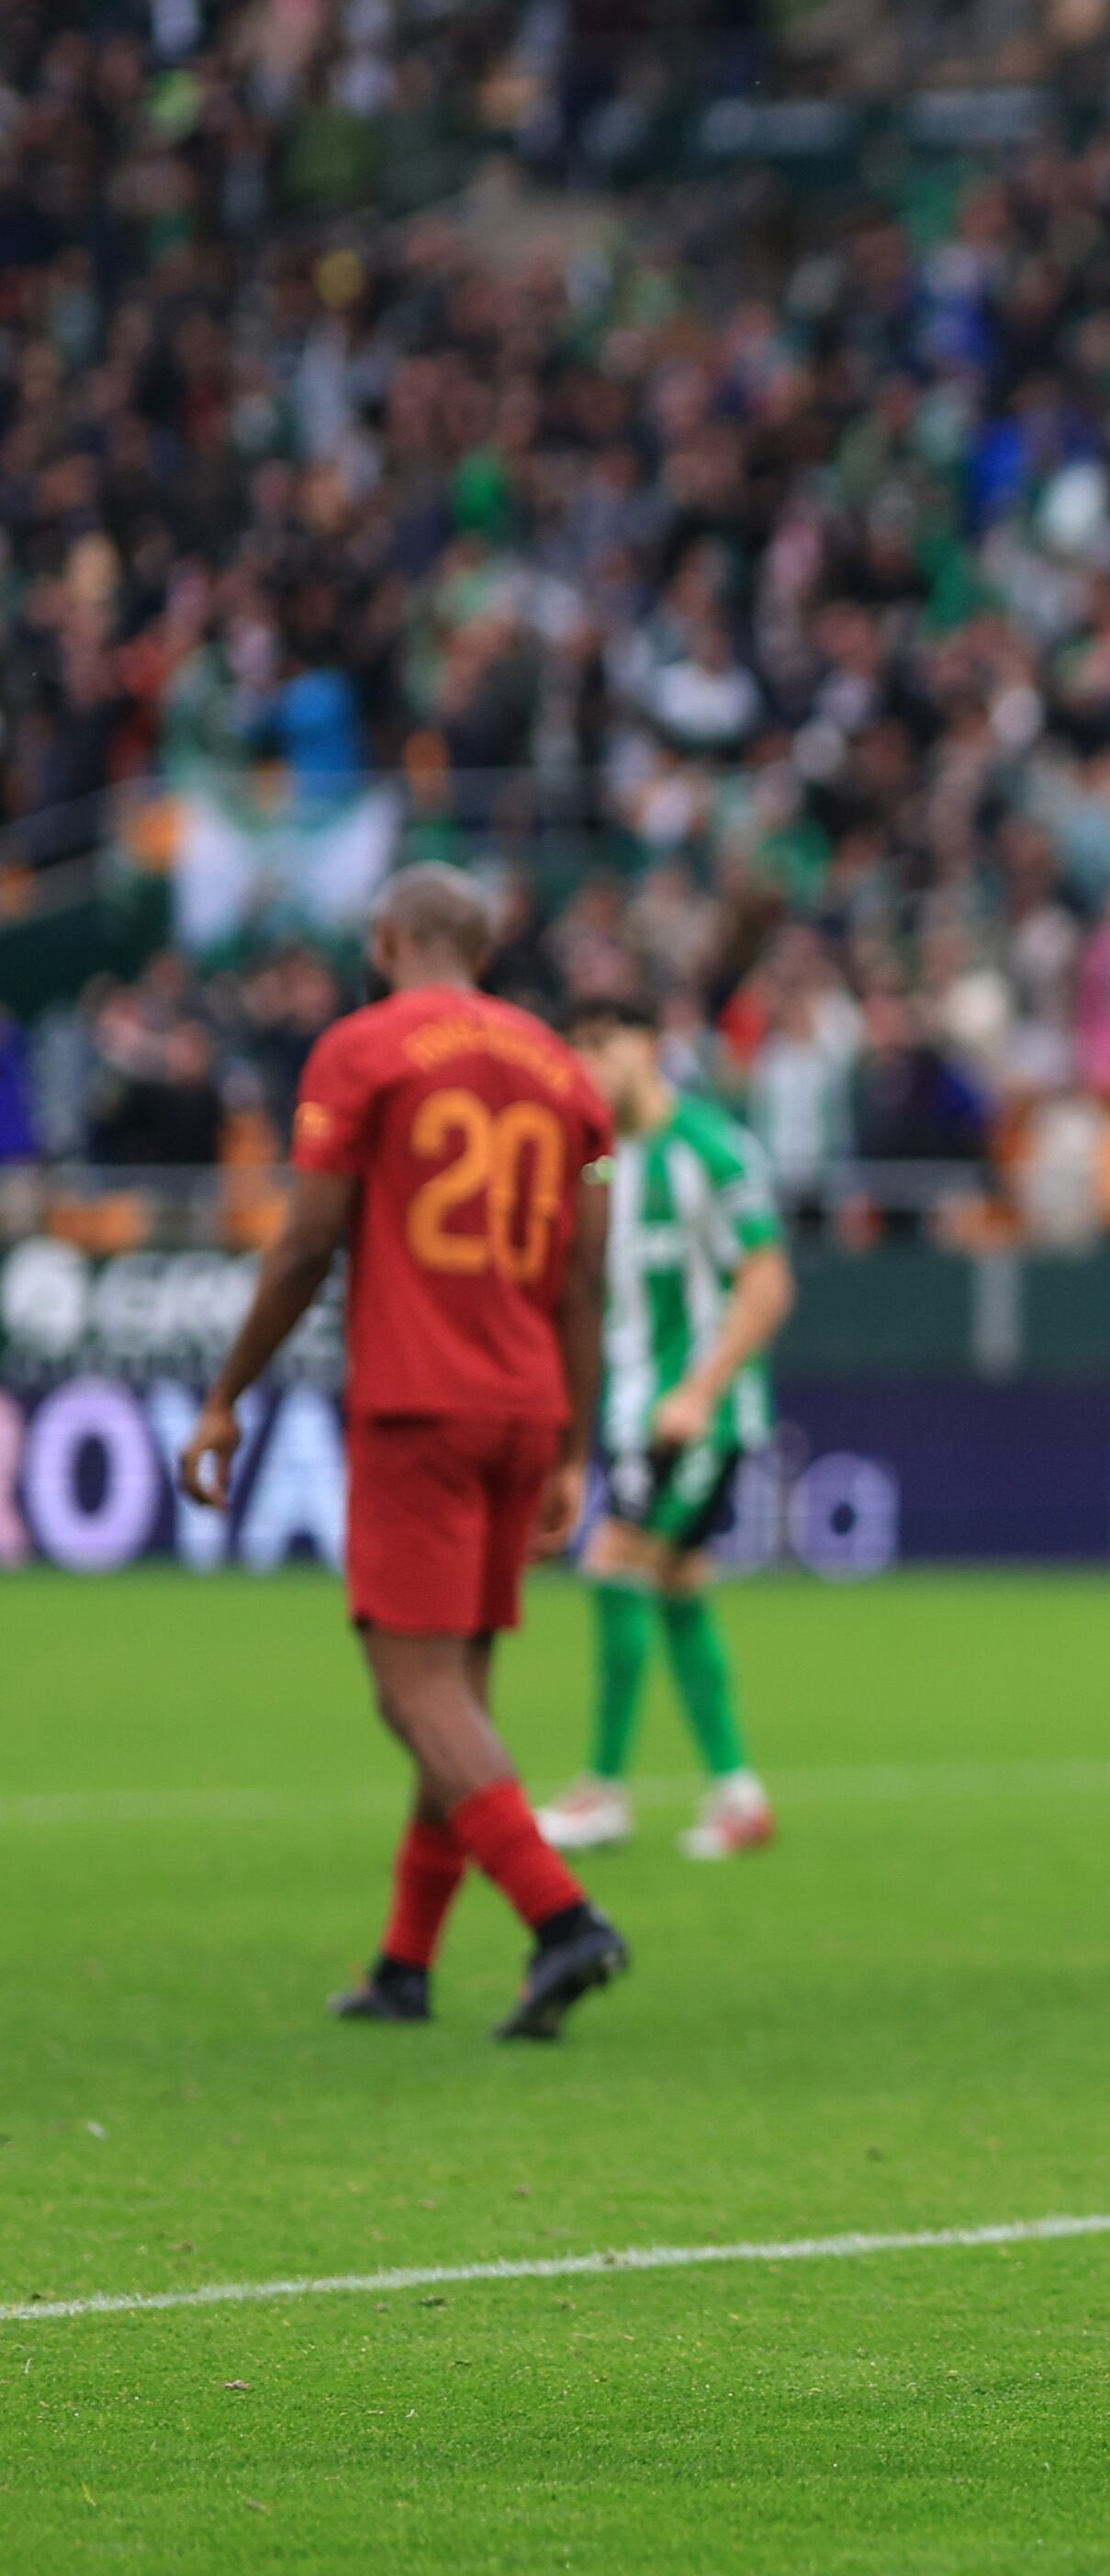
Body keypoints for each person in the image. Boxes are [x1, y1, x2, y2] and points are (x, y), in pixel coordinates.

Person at [177, 864, 634, 2040]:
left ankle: (561, 1918)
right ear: (478, 949)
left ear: (386, 940)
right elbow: (587, 1269)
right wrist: (576, 1444)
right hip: (526, 1407)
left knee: (413, 1690)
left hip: (420, 1401)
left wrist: (228, 1394)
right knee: (460, 1692)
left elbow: (308, 1238)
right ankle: (405, 1967)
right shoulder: (571, 1084)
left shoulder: (360, 1053)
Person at [537, 999, 794, 1862]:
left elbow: (766, 1283)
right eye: (577, 1049)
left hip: (696, 1417)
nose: (589, 1066)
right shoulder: (603, 1162)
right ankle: (738, 1795)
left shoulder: (710, 1149)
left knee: (613, 1561)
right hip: (631, 1407)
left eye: (601, 1045)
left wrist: (699, 1391)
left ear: (649, 1046)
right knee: (679, 1584)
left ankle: (601, 1791)